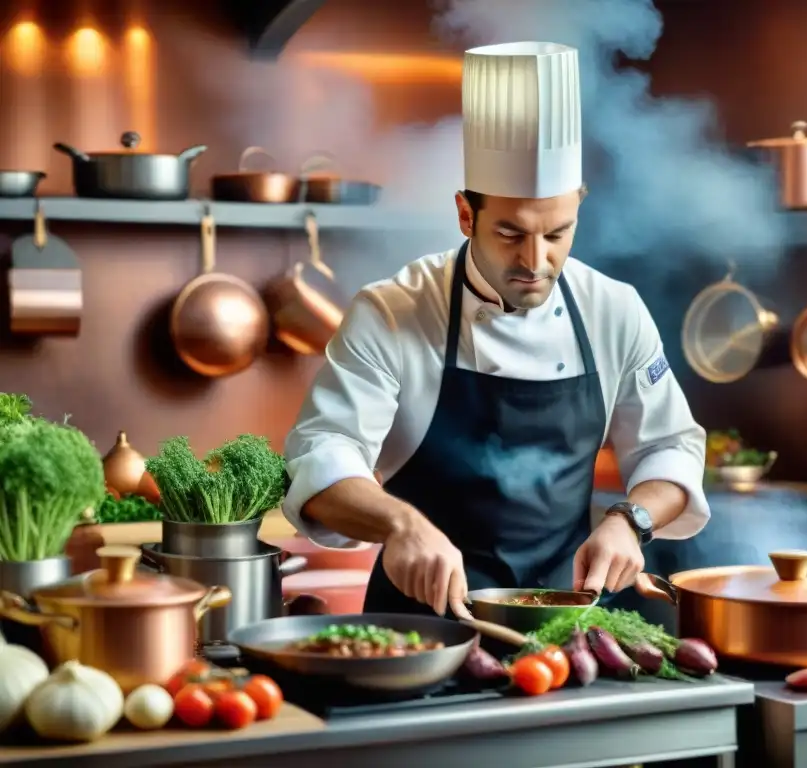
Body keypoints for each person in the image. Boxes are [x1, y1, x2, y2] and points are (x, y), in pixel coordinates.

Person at [282, 41, 709, 620]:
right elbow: (322, 455)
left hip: (566, 621)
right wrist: (399, 523)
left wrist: (629, 520)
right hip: (420, 627)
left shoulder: (615, 310)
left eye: (557, 233)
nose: (535, 260)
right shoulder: (392, 311)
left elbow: (670, 446)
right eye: (510, 233)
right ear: (465, 214)